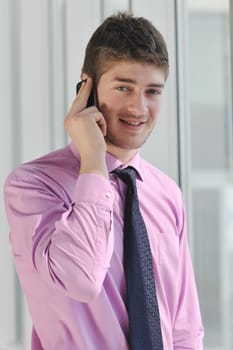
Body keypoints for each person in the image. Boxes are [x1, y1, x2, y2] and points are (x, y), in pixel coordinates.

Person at [4, 12, 204, 350]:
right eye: (124, 87)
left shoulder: (167, 194)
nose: (138, 108)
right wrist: (94, 162)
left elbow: (185, 327)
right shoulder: (32, 186)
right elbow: (80, 280)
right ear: (87, 88)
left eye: (152, 91)